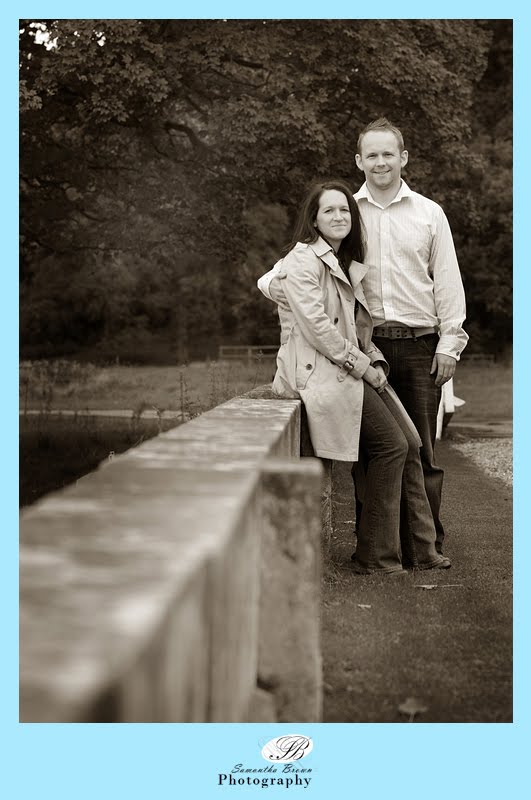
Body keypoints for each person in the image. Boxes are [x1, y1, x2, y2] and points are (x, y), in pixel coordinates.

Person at [260, 118, 469, 555]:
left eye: (388, 153)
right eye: (371, 155)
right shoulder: (345, 212)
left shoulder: (429, 213)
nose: (380, 162)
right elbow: (276, 276)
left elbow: (448, 282)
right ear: (359, 161)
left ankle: (424, 547)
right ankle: (375, 545)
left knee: (421, 450)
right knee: (374, 453)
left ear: (403, 157)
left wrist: (450, 344)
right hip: (365, 348)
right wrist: (283, 290)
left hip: (420, 344)